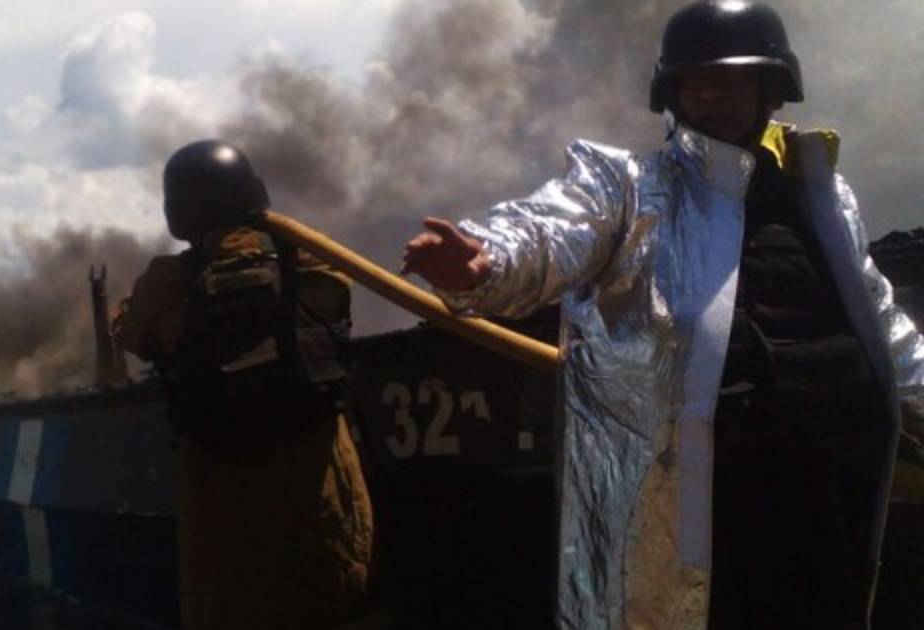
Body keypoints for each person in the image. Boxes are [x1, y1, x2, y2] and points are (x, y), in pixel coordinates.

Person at [400, 2, 924, 629]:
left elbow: (880, 320)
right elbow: (551, 228)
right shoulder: (626, 187)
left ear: (772, 89)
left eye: (736, 80)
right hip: (707, 502)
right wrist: (486, 262)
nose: (716, 96)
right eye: (699, 81)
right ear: (672, 95)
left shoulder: (824, 196)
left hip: (828, 489)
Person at [113, 140, 375, 630]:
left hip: (224, 504)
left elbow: (131, 333)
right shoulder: (311, 259)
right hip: (319, 492)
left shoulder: (165, 283)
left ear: (177, 213)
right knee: (334, 596)